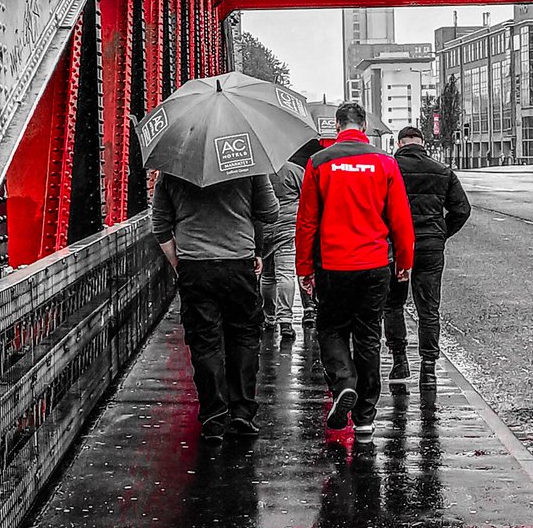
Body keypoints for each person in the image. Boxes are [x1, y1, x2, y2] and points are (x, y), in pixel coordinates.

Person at [295, 102, 414, 436]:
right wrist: (404, 262)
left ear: (337, 126)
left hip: (332, 264)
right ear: (364, 126)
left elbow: (306, 223)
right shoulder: (385, 162)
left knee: (331, 329)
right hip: (375, 264)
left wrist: (304, 268)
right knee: (368, 336)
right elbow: (401, 220)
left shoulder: (318, 162)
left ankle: (344, 382)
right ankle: (365, 416)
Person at [152, 173, 279, 442]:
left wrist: (178, 263)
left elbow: (160, 225)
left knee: (204, 341)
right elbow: (270, 212)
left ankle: (213, 416)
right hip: (238, 262)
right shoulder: (250, 163)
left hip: (195, 265)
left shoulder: (173, 168)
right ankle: (242, 411)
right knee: (244, 336)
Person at [383, 125, 471, 389]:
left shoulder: (388, 168)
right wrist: (442, 232)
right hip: (430, 245)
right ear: (423, 144)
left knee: (393, 304)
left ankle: (400, 362)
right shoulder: (442, 171)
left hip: (395, 246)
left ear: (399, 144)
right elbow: (462, 209)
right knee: (429, 309)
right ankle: (429, 369)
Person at [260, 160, 304, 342]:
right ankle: (285, 320)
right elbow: (306, 196)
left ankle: (269, 317)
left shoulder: (257, 171)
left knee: (268, 276)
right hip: (288, 229)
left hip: (263, 230)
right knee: (285, 274)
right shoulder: (295, 171)